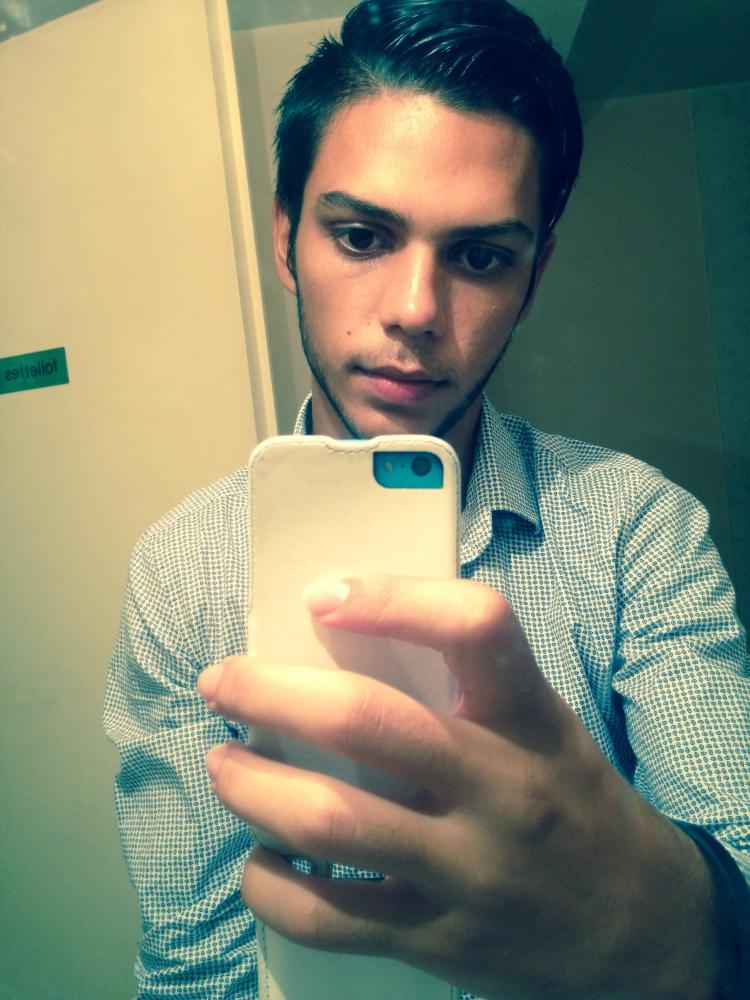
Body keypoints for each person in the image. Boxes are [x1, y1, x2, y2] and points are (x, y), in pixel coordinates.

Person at [104, 1, 750, 997]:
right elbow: (194, 963)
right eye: (363, 235)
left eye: (481, 256)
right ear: (286, 238)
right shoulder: (181, 569)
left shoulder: (638, 529)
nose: (414, 310)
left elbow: (736, 844)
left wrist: (663, 926)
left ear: (532, 280)